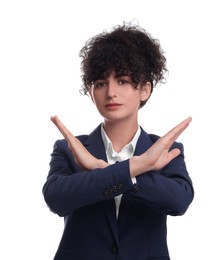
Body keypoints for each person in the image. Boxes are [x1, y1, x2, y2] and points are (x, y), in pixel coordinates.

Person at [43, 22, 194, 260]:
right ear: (91, 92)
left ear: (144, 89)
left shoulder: (166, 150)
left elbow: (178, 201)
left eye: (122, 81)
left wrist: (103, 170)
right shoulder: (70, 148)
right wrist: (136, 167)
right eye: (101, 83)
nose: (111, 92)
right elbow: (56, 199)